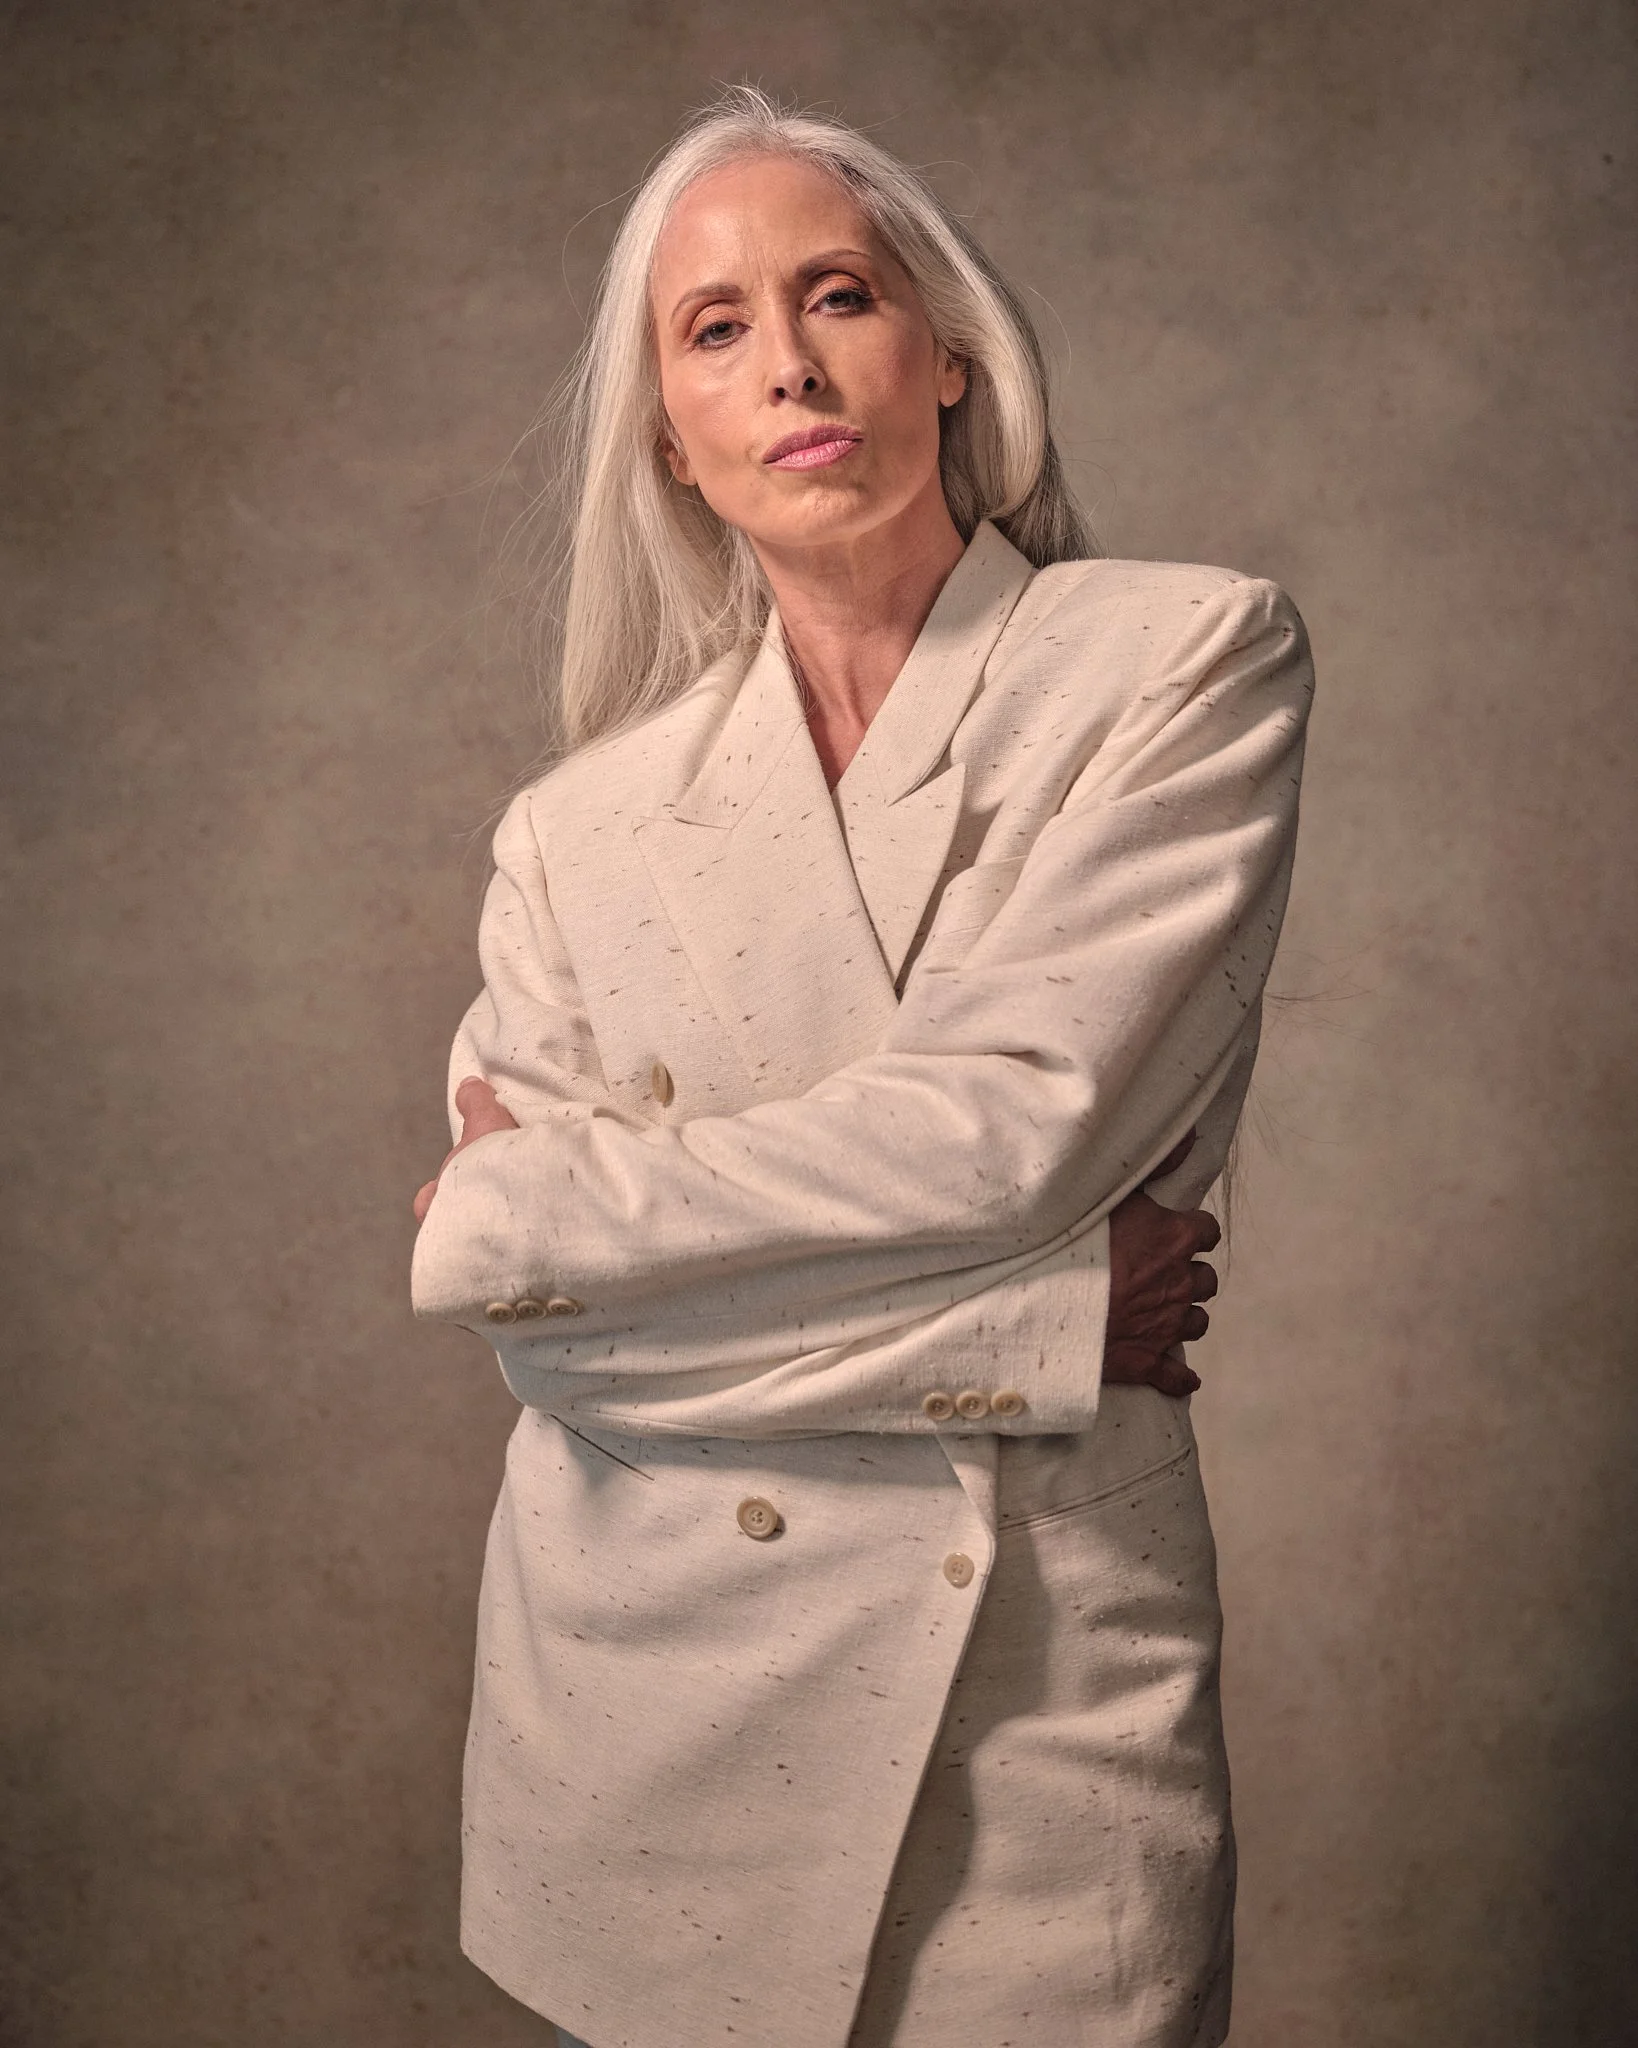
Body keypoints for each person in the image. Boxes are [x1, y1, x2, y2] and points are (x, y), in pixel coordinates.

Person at [410, 86, 1311, 2048]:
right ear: (672, 435)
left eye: (841, 294)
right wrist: (1052, 1326)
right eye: (716, 327)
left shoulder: (1176, 664)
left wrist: (558, 1201)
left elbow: (1002, 1129)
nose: (793, 362)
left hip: (1034, 1701)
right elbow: (539, 1332)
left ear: (953, 351)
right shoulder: (574, 832)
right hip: (638, 1711)